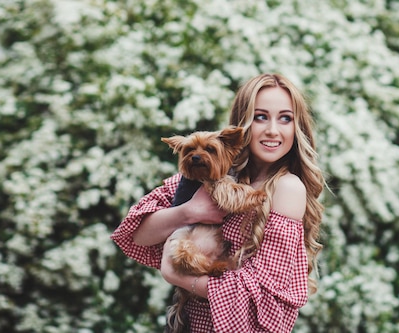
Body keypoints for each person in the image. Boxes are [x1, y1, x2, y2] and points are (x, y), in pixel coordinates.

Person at [111, 73, 325, 332]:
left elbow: (264, 300)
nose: (272, 130)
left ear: (297, 128)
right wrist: (188, 212)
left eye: (285, 118)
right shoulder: (213, 172)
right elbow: (136, 233)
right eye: (260, 117)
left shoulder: (287, 188)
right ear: (241, 125)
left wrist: (177, 276)